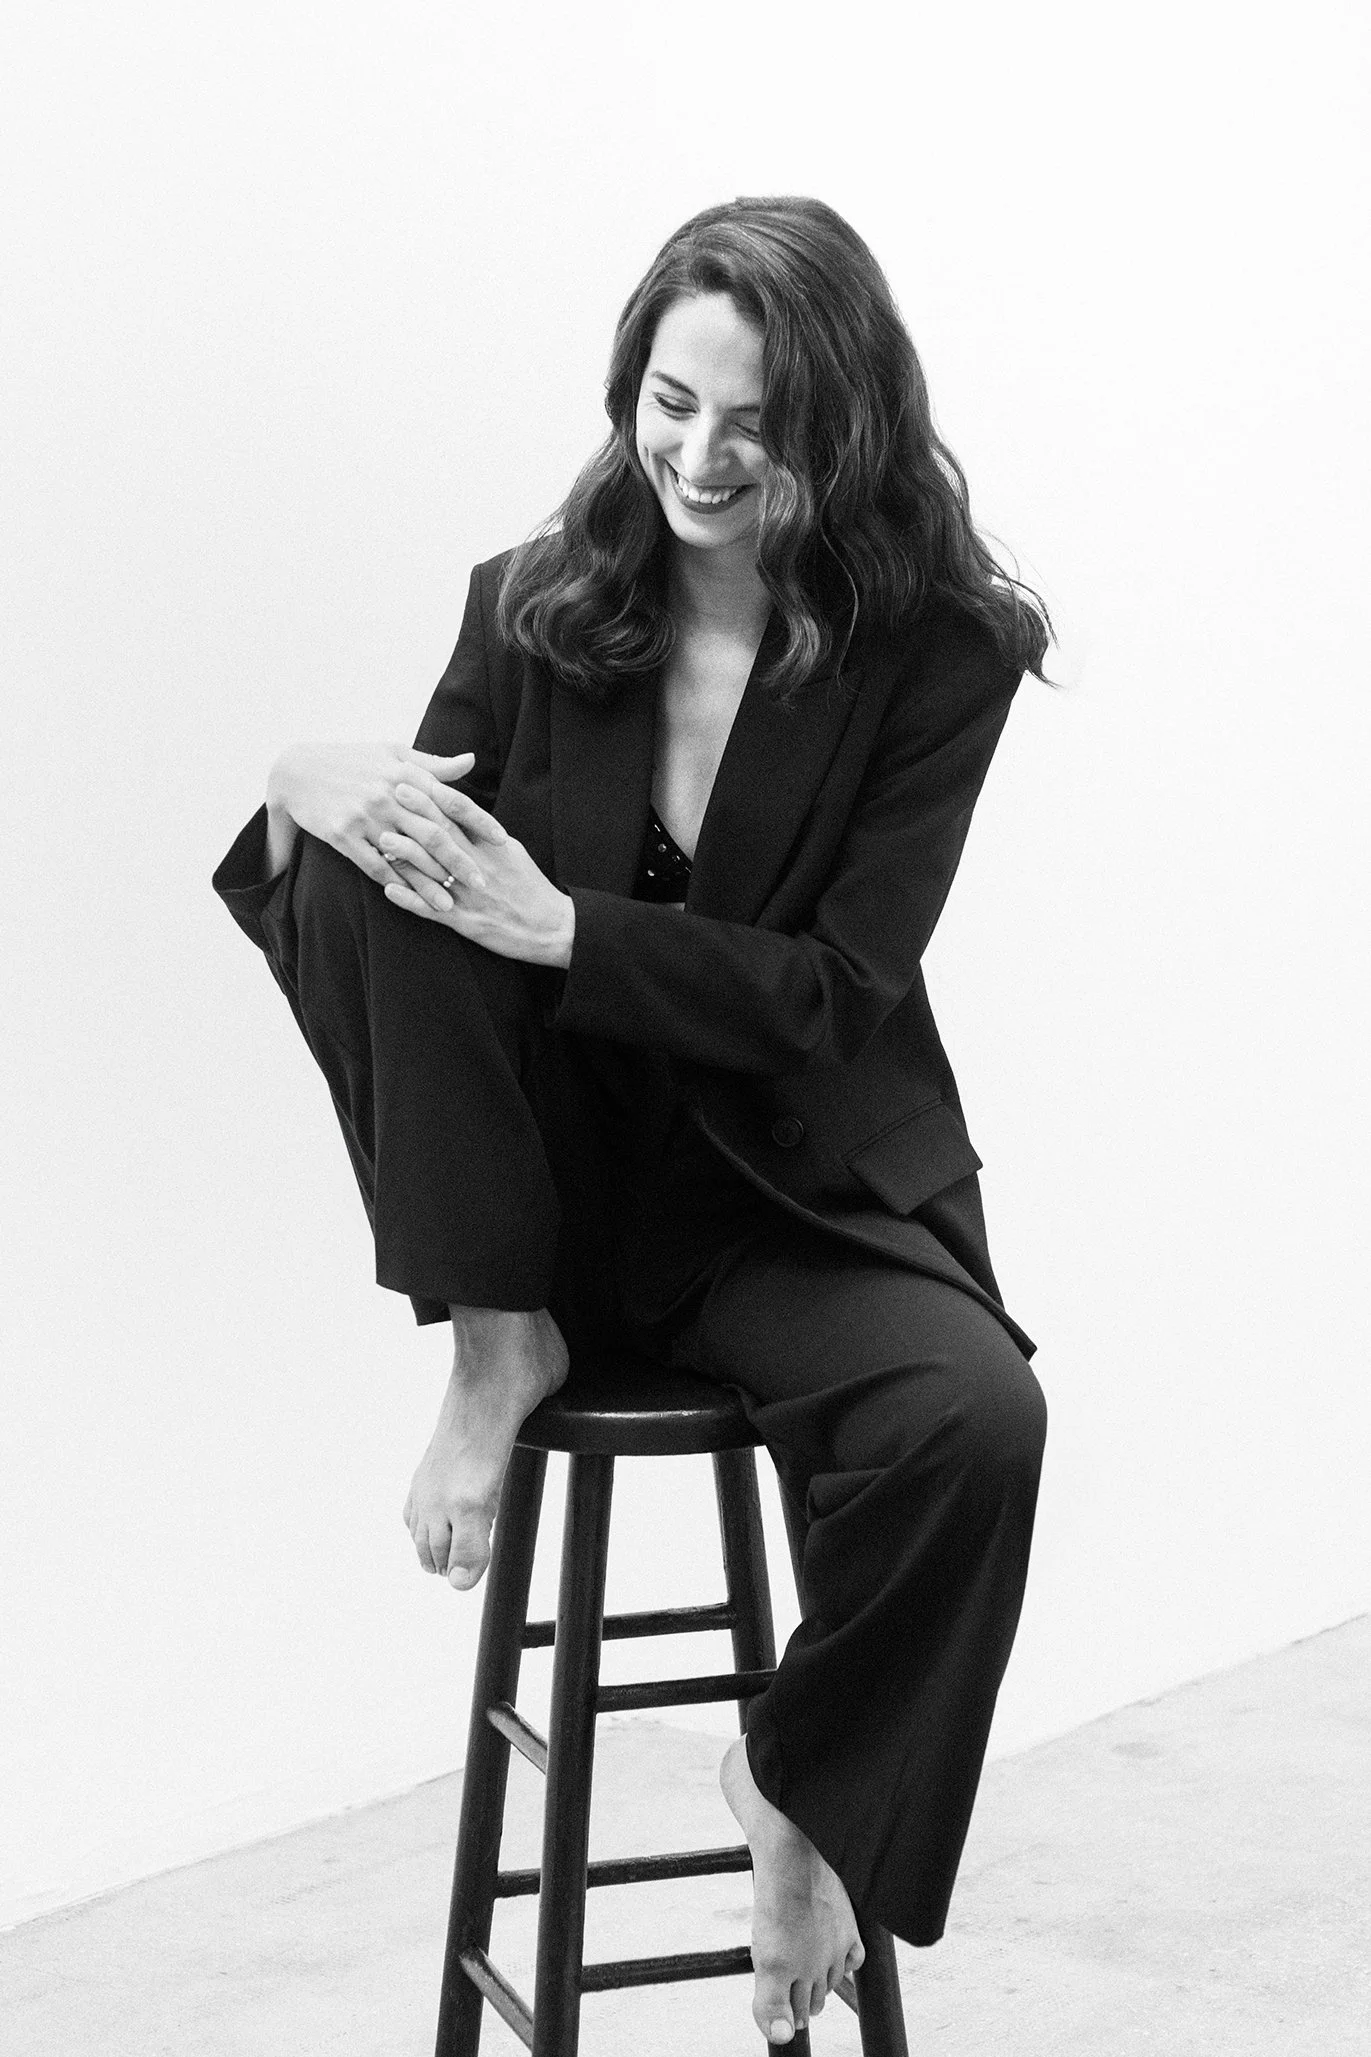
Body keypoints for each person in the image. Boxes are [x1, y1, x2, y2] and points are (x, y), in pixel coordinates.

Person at [213, 194, 1052, 2047]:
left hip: (783, 1194)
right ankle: (496, 1343)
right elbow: (379, 926)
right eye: (672, 403)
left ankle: (796, 1792)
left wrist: (569, 933)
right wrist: (299, 780)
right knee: (366, 851)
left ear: (843, 423)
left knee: (976, 1425)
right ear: (628, 389)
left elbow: (838, 993)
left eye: (756, 423)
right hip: (547, 1199)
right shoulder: (533, 601)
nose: (699, 456)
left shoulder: (941, 652)